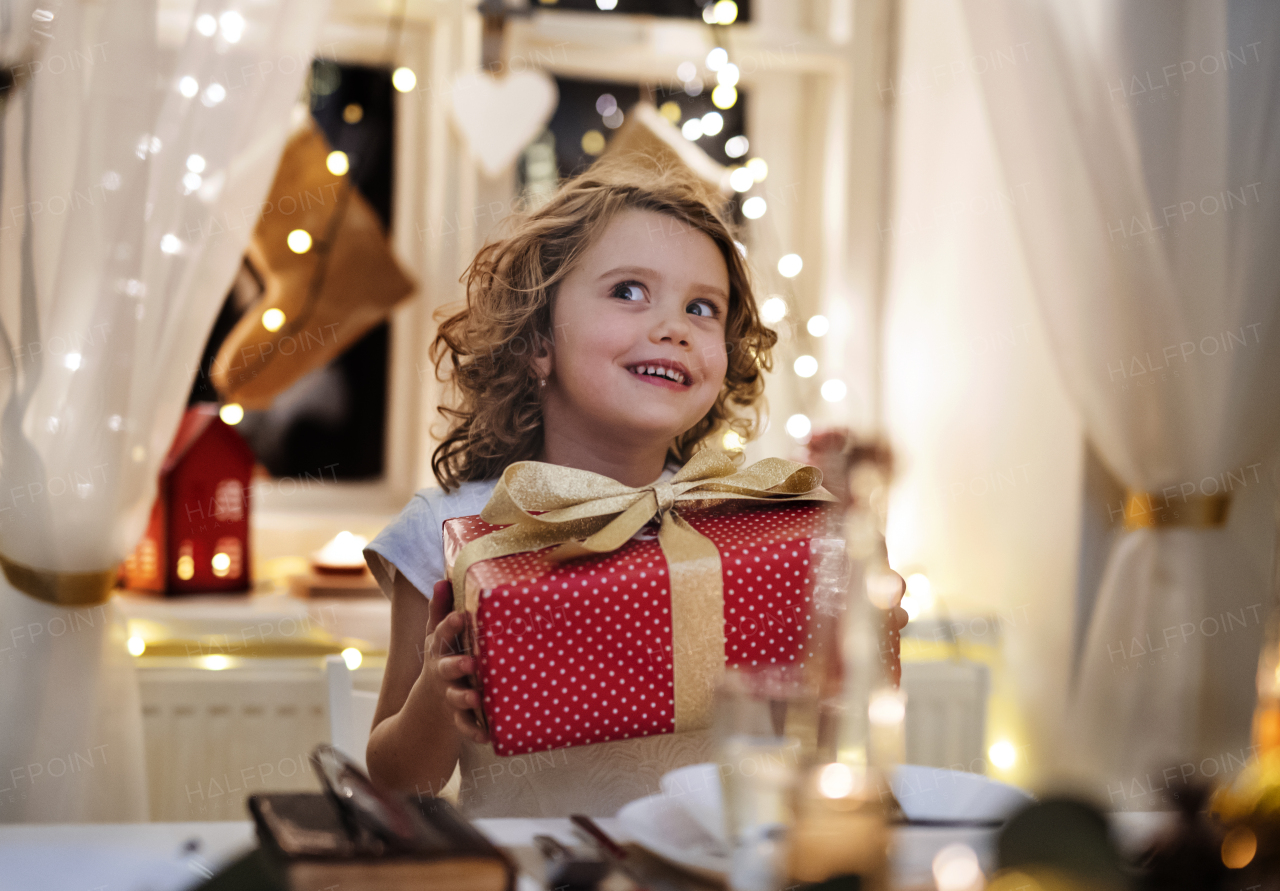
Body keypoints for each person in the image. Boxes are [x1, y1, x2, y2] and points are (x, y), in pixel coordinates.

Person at [362, 157, 905, 817]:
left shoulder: (738, 528)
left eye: (702, 308)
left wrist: (852, 653)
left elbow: (808, 753)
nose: (674, 326)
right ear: (538, 341)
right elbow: (397, 784)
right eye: (627, 291)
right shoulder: (449, 527)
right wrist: (435, 697)